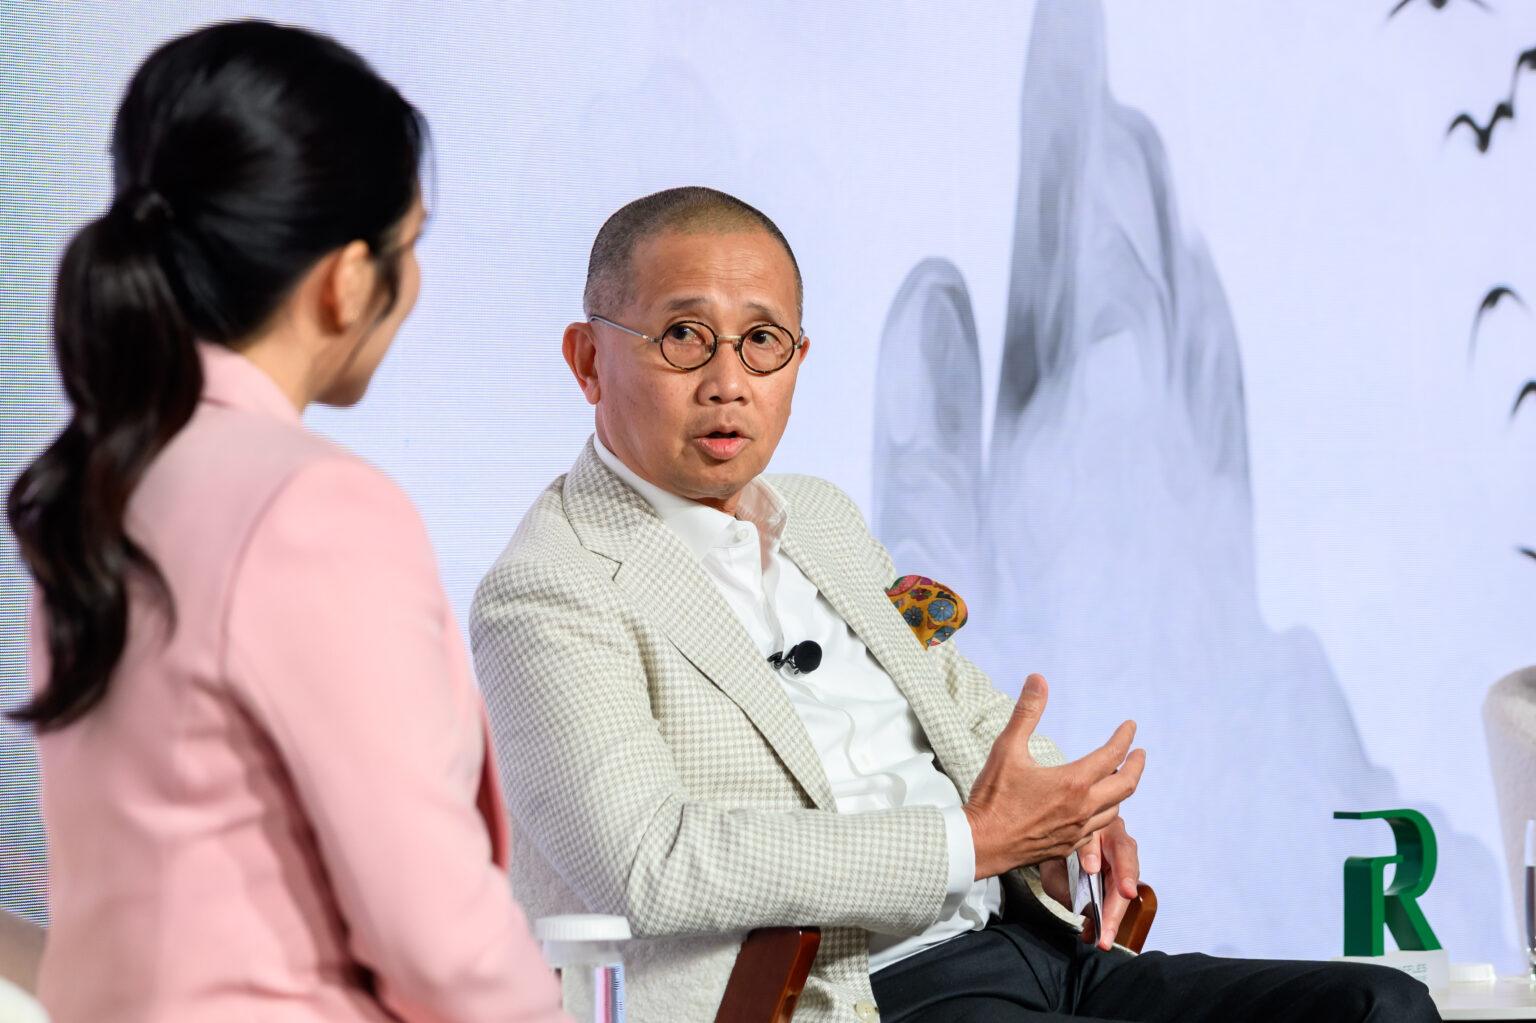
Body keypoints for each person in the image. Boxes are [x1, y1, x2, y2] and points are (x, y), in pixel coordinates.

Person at [469, 186, 1440, 1022]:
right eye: (685, 337)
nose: (729, 382)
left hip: (1034, 945)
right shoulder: (550, 588)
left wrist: (1063, 822)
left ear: (798, 360)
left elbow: (961, 707)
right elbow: (655, 862)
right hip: (853, 993)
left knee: (1382, 1005)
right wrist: (968, 843)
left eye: (763, 341)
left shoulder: (822, 518)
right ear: (589, 360)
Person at [7, 21, 564, 1023]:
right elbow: (437, 942)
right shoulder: (310, 504)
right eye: (412, 242)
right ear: (348, 280)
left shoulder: (106, 479)